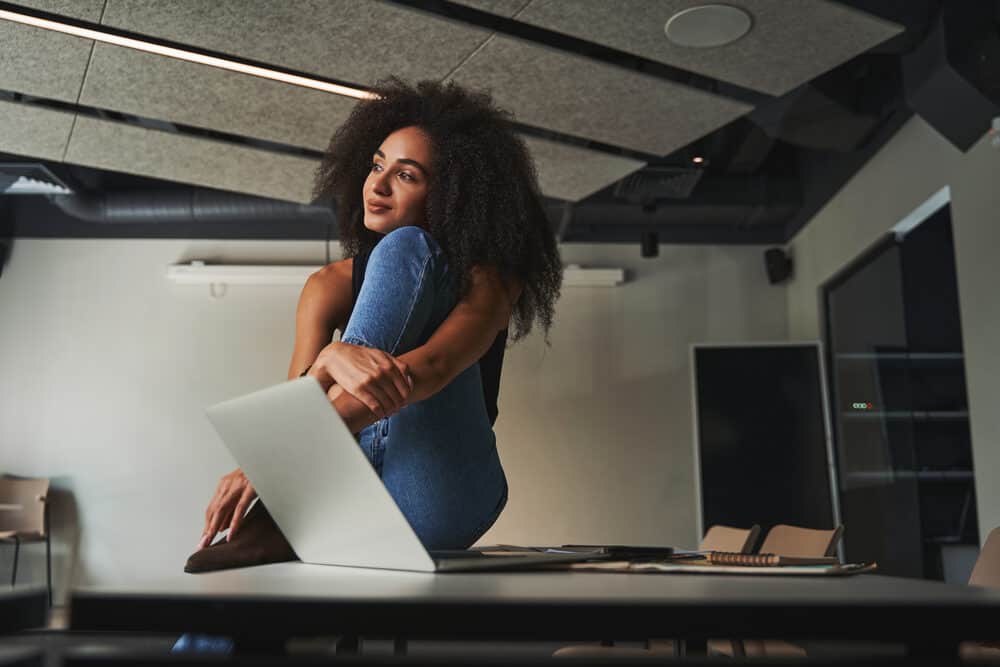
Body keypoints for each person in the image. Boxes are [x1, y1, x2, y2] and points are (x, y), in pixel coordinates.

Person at [195, 76, 562, 559]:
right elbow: (298, 399)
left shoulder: (488, 282)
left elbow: (429, 370)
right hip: (352, 484)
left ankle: (281, 517)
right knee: (230, 600)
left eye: (407, 175)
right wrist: (327, 362)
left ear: (451, 195)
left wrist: (272, 464)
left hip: (440, 494)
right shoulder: (327, 285)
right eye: (376, 165)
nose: (378, 184)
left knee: (406, 246)